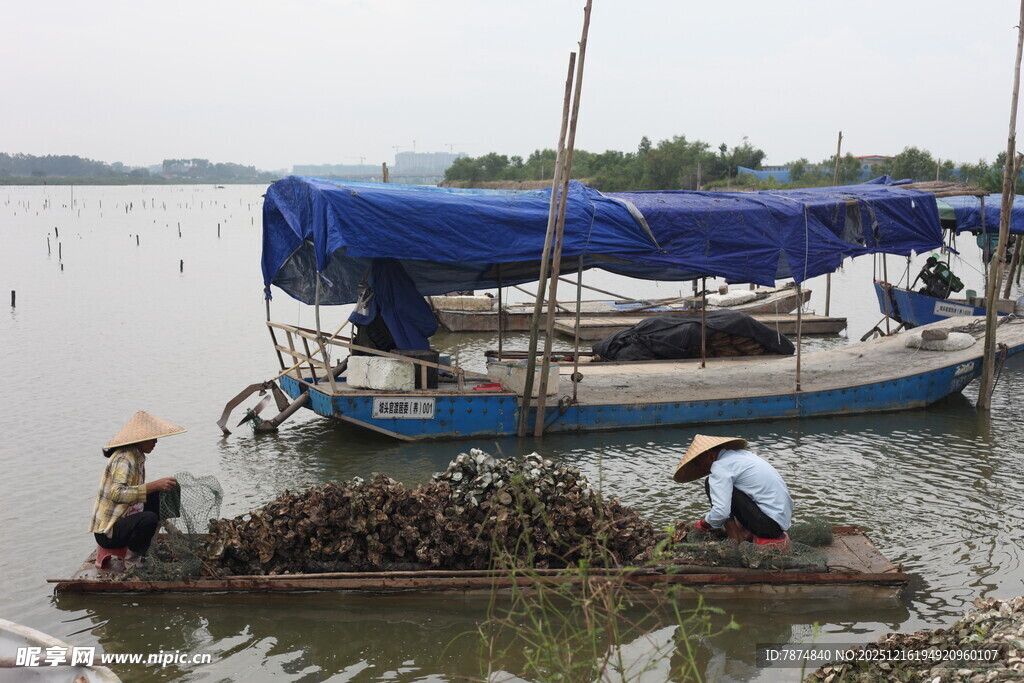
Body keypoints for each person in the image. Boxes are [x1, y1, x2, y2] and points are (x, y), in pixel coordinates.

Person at [89, 410, 186, 568]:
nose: (155, 442)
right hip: (109, 533)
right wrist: (154, 485)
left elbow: (139, 493)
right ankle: (132, 561)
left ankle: (149, 547)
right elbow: (117, 493)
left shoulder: (136, 456)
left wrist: (157, 488)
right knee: (148, 517)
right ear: (141, 439)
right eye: (152, 439)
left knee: (162, 492)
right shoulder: (124, 459)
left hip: (125, 517)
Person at [673, 434, 792, 549]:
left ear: (709, 455)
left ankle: (735, 538)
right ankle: (745, 531)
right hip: (779, 523)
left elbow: (721, 512)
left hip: (768, 526)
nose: (701, 468)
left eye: (698, 463)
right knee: (729, 489)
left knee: (710, 483)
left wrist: (702, 524)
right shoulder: (743, 456)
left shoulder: (721, 466)